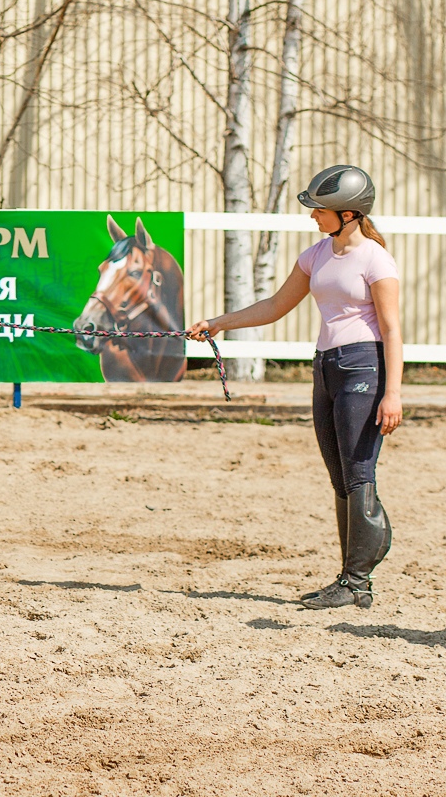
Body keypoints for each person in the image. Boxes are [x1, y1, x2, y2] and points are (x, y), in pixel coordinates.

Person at [187, 165, 403, 609]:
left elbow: (392, 328)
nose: (313, 216)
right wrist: (218, 324)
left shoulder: (376, 260)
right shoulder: (316, 254)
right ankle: (353, 574)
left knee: (358, 471)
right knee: (339, 473)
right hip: (326, 367)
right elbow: (276, 305)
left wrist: (393, 392)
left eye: (321, 210)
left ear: (349, 214)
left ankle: (357, 579)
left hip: (364, 367)